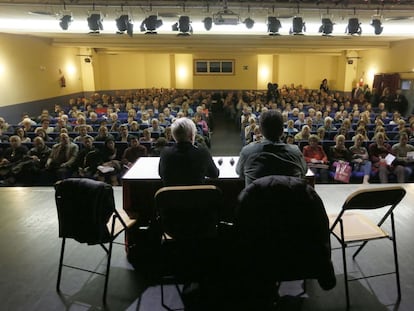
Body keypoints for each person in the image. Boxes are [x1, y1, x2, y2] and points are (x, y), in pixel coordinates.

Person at [236, 109, 307, 186]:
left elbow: (240, 173)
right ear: (282, 131)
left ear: (260, 130)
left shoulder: (247, 151)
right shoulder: (295, 152)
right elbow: (303, 172)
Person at [159, 117, 219, 186]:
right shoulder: (202, 153)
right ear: (191, 135)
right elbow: (214, 174)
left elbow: (161, 174)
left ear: (174, 136)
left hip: (171, 196)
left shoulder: (165, 154)